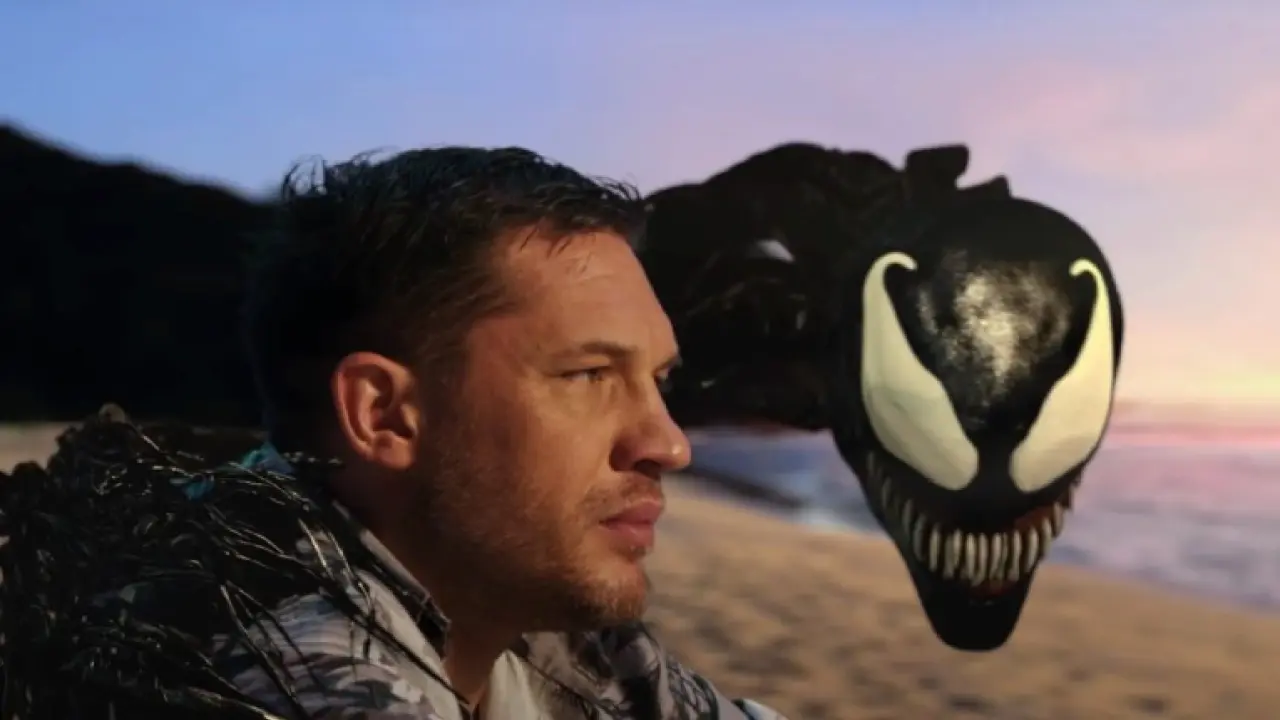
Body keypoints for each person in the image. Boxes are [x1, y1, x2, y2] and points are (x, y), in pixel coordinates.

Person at [221, 146, 789, 719]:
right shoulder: (290, 679)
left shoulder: (536, 617)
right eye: (588, 374)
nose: (670, 446)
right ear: (384, 415)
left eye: (658, 381)